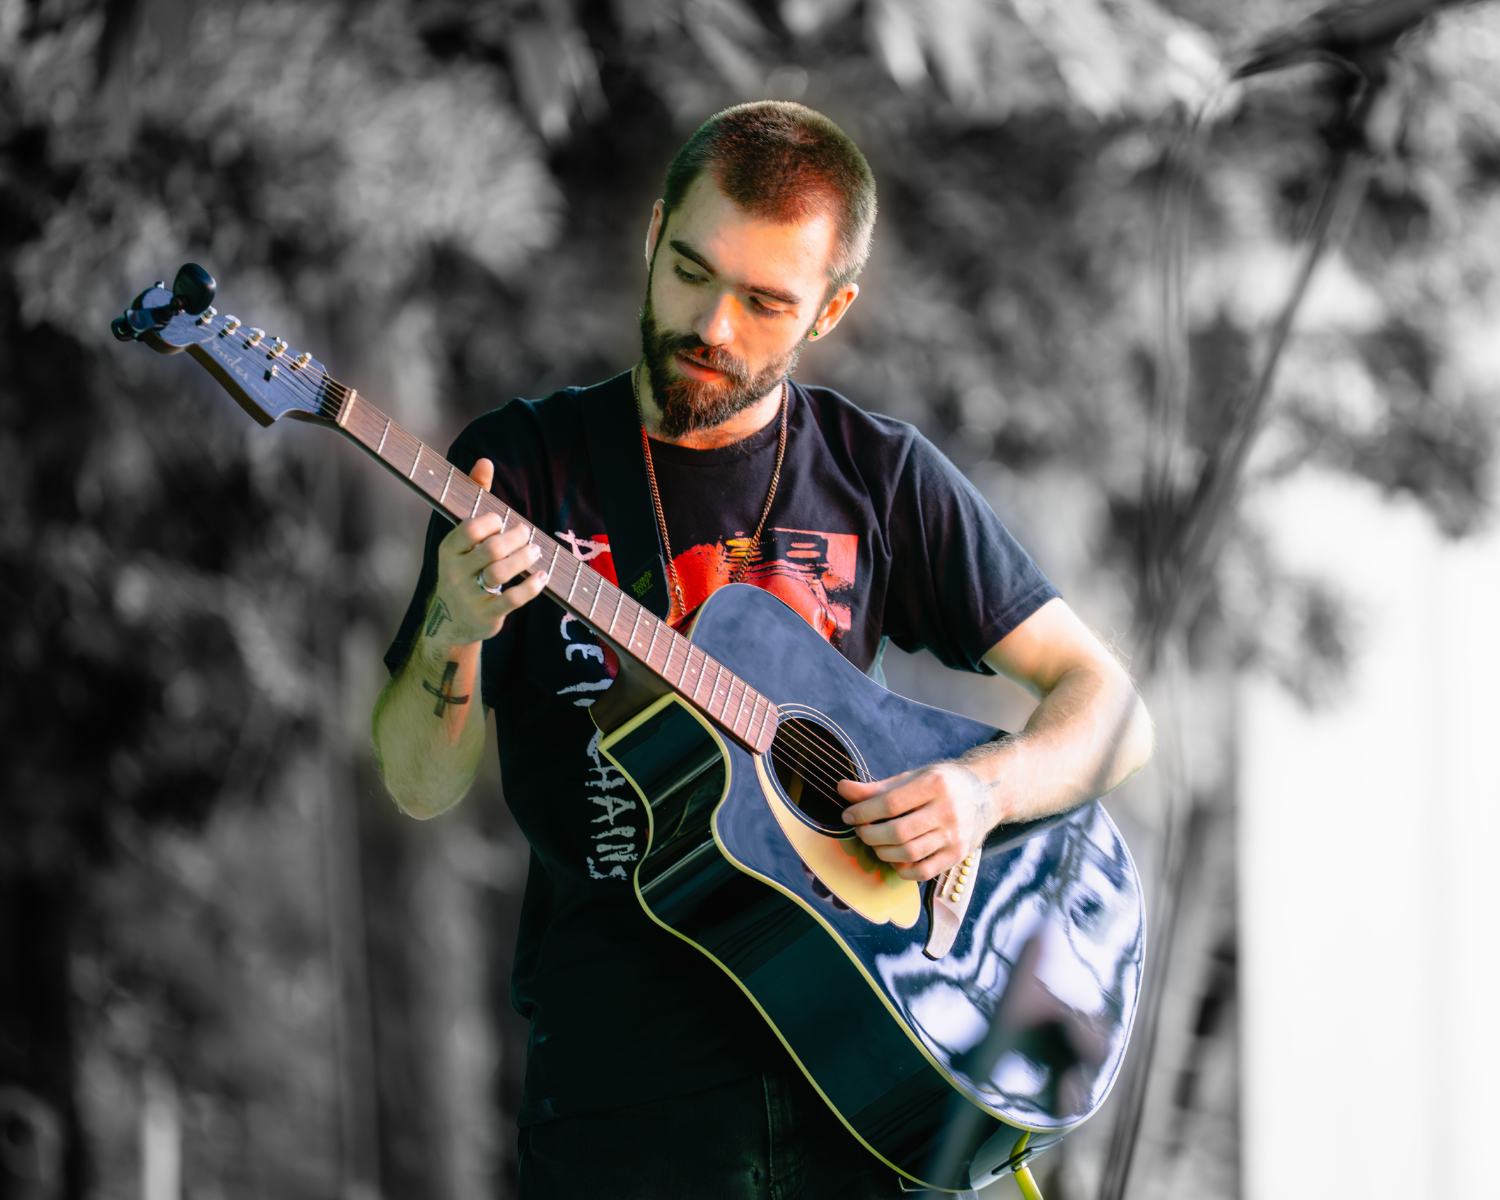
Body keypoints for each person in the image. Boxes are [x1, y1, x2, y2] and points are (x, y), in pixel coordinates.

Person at [373, 101, 1152, 1199]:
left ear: (830, 309)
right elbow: (417, 780)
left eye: (765, 301)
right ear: (652, 235)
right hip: (624, 1108)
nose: (715, 326)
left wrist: (981, 790)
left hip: (876, 1087)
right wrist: (454, 629)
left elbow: (1112, 707)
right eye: (691, 271)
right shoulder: (521, 466)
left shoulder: (879, 475)